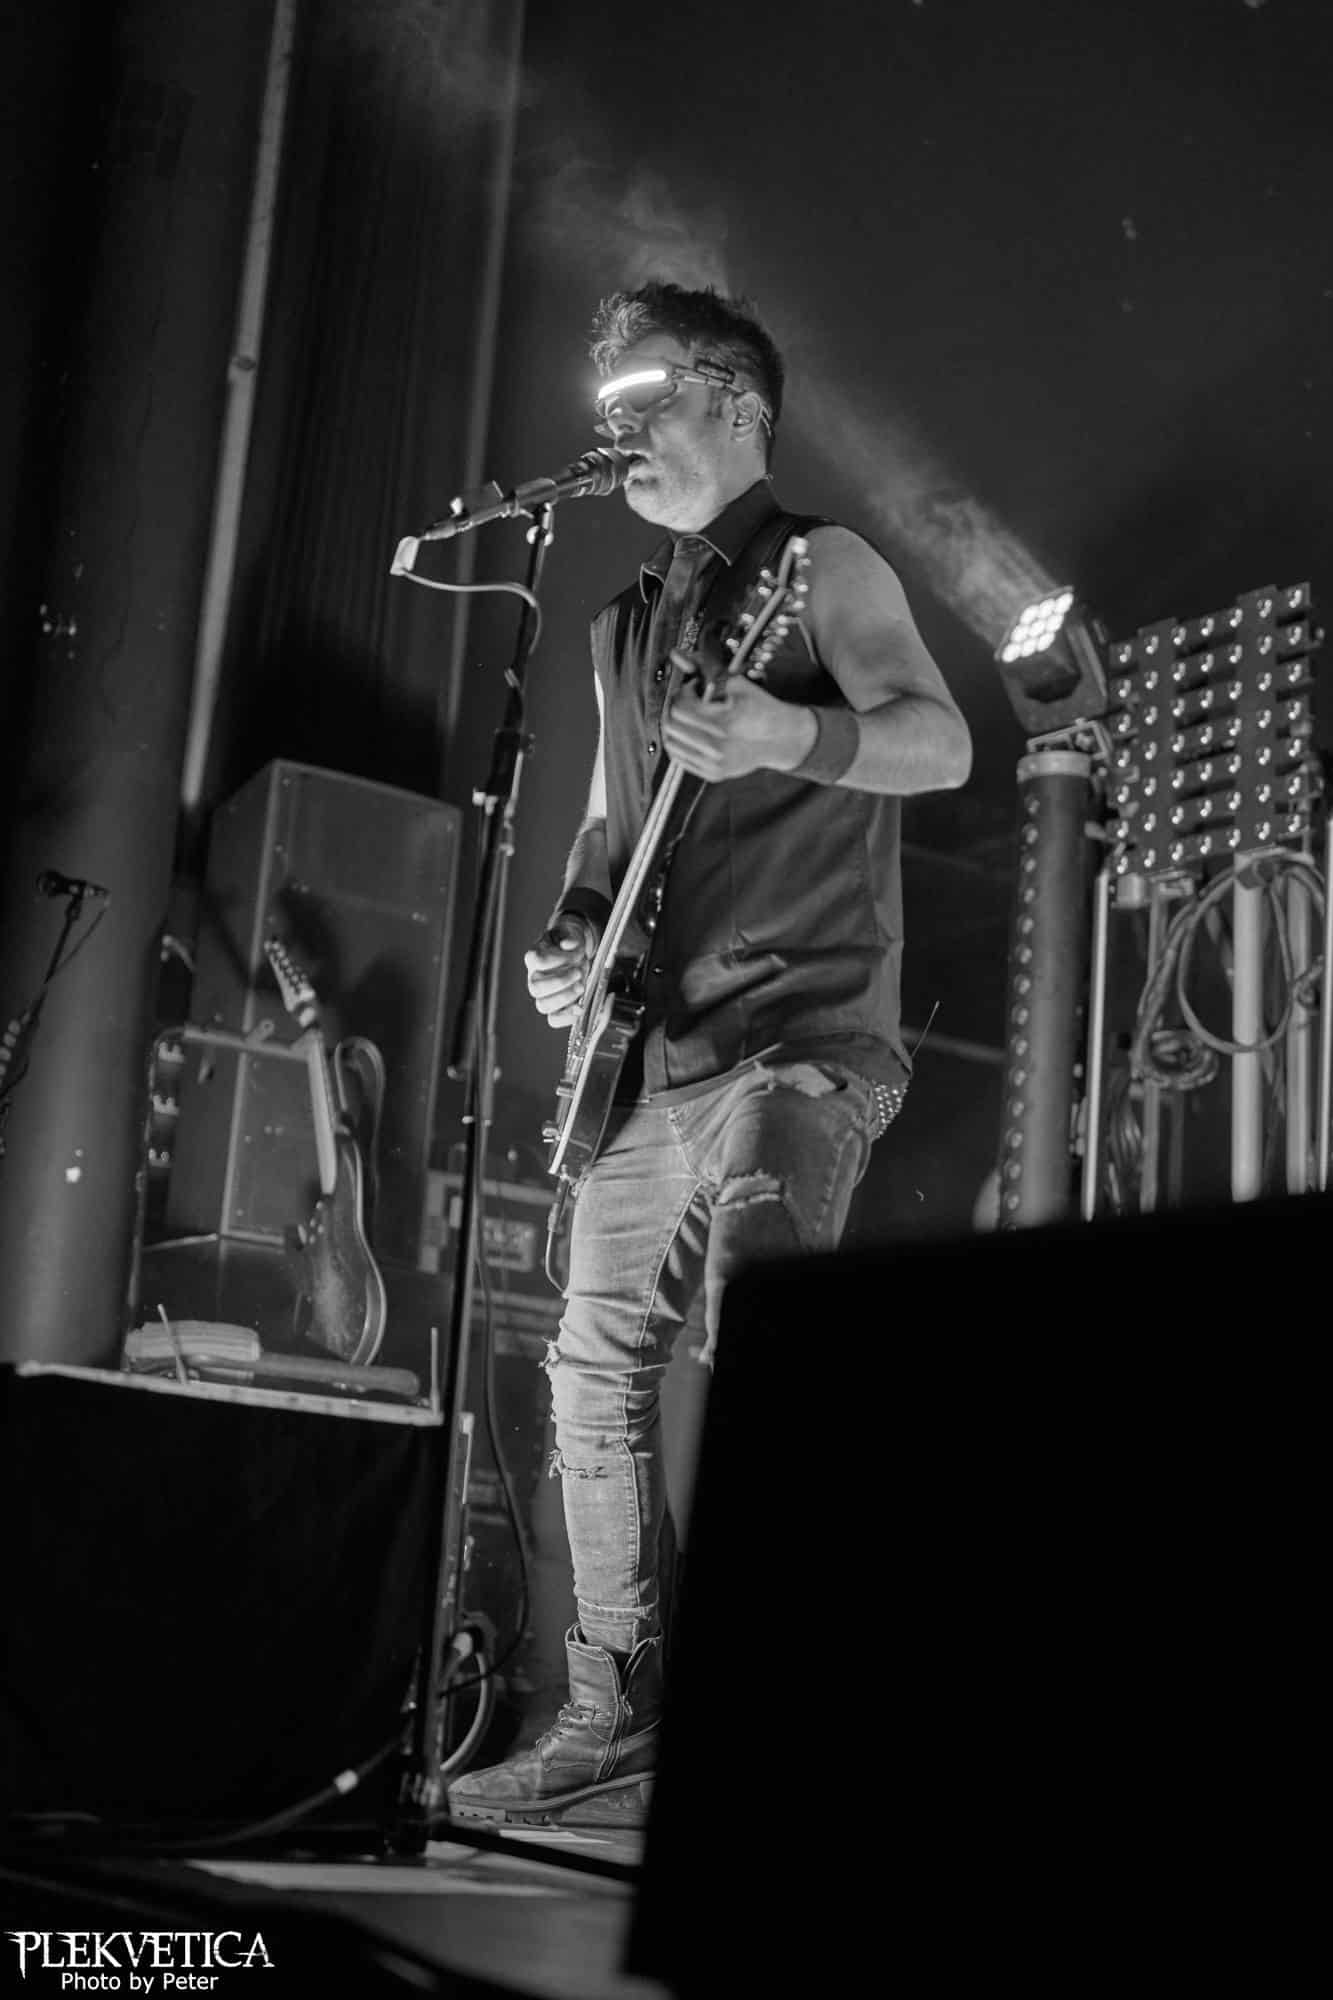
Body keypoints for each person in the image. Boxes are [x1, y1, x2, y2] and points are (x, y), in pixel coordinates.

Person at [449, 281, 972, 1825]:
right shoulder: (619, 625)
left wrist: (784, 734)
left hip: (799, 1030)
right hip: (653, 1057)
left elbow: (937, 740)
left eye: (647, 400)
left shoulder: (822, 564)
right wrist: (570, 938)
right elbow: (605, 836)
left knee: (756, 1329)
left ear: (738, 408)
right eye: (604, 408)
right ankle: (610, 1706)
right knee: (586, 1375)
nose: (615, 429)